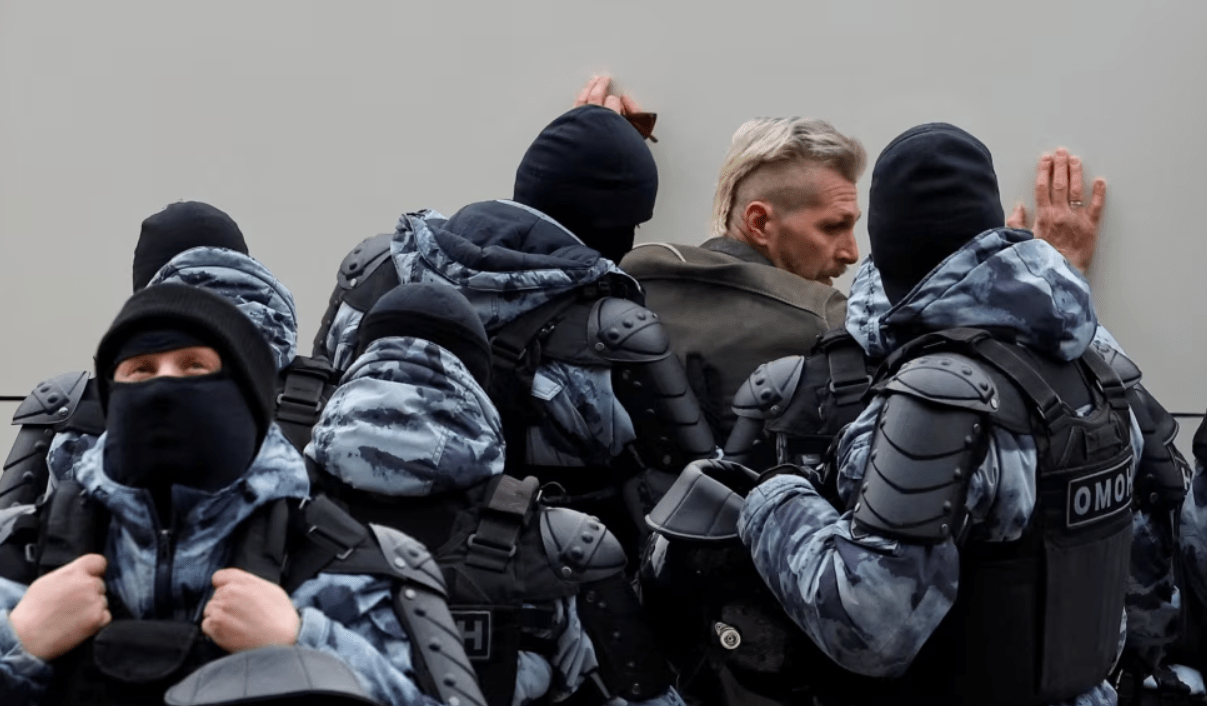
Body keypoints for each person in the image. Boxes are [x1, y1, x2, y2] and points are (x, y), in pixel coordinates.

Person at [732, 123, 1185, 706]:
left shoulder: (940, 393)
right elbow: (1158, 549)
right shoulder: (1097, 362)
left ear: (888, 245)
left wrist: (773, 496)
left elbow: (872, 630)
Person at [0, 284, 472, 706]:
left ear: (246, 398)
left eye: (194, 366)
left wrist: (303, 644)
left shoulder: (349, 563)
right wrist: (18, 642)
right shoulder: (18, 548)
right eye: (141, 370)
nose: (165, 386)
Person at [312, 82, 715, 559]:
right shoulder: (612, 334)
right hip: (516, 581)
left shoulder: (373, 270)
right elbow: (694, 497)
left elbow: (314, 405)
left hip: (340, 556)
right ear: (620, 226)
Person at [306, 283, 683, 706]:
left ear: (360, 359)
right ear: (477, 378)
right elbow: (643, 696)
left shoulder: (275, 509)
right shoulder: (558, 543)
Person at [619, 117, 864, 439]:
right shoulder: (826, 324)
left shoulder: (626, 287)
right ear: (759, 223)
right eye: (832, 227)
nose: (851, 252)